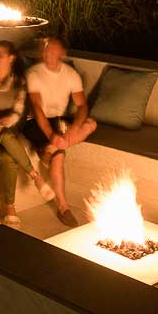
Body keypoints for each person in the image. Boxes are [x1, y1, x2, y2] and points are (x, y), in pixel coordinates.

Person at [0, 39, 54, 226]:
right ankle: (36, 177)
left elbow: (17, 112)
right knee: (6, 136)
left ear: (11, 58)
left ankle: (10, 209)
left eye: (0, 55)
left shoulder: (18, 83)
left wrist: (0, 124)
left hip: (4, 131)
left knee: (7, 157)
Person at [23, 33, 96, 225]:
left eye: (53, 51)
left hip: (58, 120)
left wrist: (74, 129)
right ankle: (63, 208)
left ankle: (51, 149)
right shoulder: (34, 74)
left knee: (90, 124)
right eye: (46, 51)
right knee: (58, 156)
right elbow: (36, 108)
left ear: (62, 53)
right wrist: (51, 135)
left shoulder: (71, 75)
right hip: (35, 122)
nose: (48, 55)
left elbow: (82, 106)